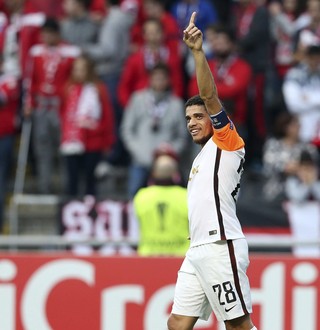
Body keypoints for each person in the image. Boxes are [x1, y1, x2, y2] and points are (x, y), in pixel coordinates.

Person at [167, 12, 256, 330]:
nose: (191, 122)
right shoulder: (202, 156)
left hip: (221, 245)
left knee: (237, 325)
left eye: (198, 116)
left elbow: (209, 95)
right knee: (177, 322)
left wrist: (196, 52)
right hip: (198, 249)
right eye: (187, 118)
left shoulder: (228, 141)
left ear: (214, 118)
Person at [24, 17, 81, 193]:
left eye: (50, 33)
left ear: (57, 34)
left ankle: (67, 188)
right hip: (41, 105)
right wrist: (28, 103)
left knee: (65, 148)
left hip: (61, 107)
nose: (47, 37)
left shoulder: (70, 52)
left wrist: (72, 105)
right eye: (44, 34)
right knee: (42, 149)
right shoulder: (36, 52)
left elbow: (75, 80)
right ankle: (44, 187)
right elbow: (29, 79)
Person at [121, 63, 187, 198]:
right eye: (156, 78)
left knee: (170, 198)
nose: (159, 82)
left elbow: (182, 135)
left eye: (162, 78)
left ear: (168, 80)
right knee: (133, 196)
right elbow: (127, 130)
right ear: (150, 79)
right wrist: (138, 150)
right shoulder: (137, 99)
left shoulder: (176, 104)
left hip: (166, 162)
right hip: (140, 160)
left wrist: (170, 151)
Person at [60, 54, 115, 197]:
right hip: (72, 142)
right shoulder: (68, 88)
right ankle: (71, 210)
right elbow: (63, 112)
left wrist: (107, 142)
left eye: (82, 69)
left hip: (93, 142)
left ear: (89, 70)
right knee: (72, 179)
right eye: (76, 69)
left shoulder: (98, 89)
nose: (78, 73)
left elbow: (107, 116)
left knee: (90, 179)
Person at [133, 149, 189, 256]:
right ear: (176, 174)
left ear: (153, 174)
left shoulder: (141, 196)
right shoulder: (186, 195)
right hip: (181, 258)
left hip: (148, 257)